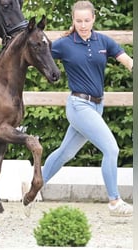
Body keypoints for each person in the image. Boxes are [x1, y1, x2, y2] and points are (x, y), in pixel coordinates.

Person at [41, 0, 133, 217]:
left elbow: (127, 61)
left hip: (97, 106)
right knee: (111, 149)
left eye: (87, 20)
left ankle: (34, 186)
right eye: (78, 20)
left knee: (66, 153)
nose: (83, 25)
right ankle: (114, 201)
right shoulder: (63, 44)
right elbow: (37, 55)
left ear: (93, 19)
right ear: (73, 20)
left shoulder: (103, 41)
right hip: (78, 105)